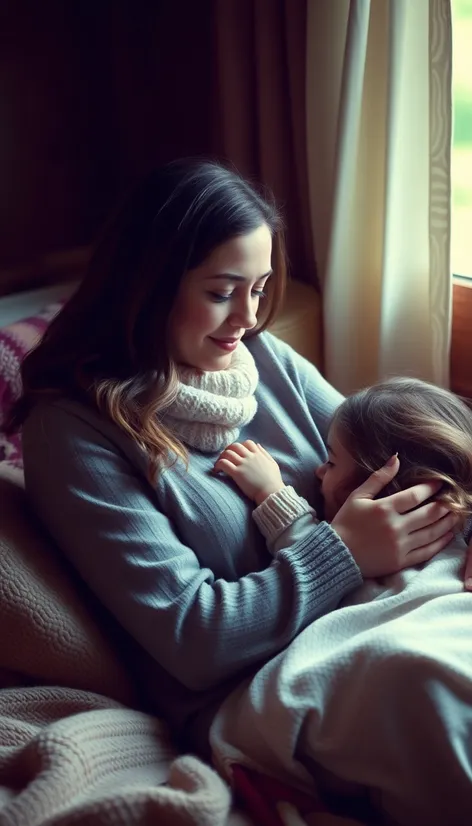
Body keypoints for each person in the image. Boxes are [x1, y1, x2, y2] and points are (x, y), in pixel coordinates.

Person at [3, 159, 461, 759]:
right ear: (149, 284)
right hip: (263, 684)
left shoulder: (262, 359)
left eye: (259, 288)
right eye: (222, 292)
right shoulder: (72, 435)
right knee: (429, 686)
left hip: (388, 615)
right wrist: (342, 554)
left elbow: (411, 449)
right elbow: (195, 638)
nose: (247, 319)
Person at [213, 376, 472, 592]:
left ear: (382, 486)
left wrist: (269, 491)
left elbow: (319, 550)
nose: (318, 471)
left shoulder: (376, 563)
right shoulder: (460, 529)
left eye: (332, 462)